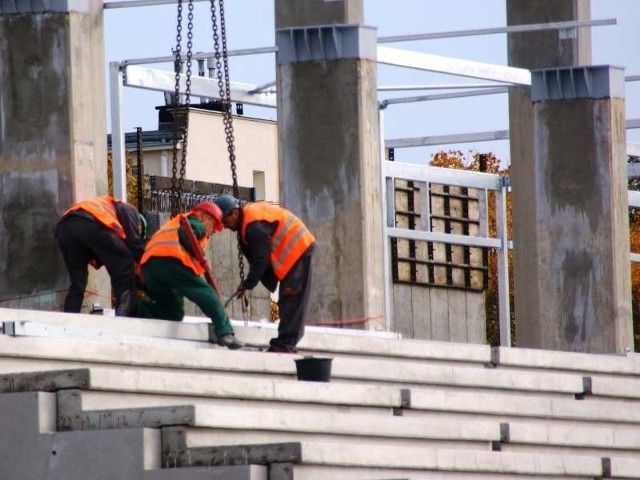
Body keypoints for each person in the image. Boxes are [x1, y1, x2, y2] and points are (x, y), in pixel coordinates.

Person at [213, 194, 315, 353]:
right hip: (295, 250)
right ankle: (284, 343)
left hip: (298, 248)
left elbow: (261, 260)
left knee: (292, 299)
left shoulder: (253, 226)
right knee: (288, 300)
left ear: (234, 213)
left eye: (225, 221)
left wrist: (248, 284)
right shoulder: (249, 220)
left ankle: (285, 345)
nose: (225, 226)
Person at [137, 201, 244, 350]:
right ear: (205, 217)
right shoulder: (196, 221)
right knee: (207, 294)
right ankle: (225, 332)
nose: (214, 231)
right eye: (214, 224)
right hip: (170, 261)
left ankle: (134, 306)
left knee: (173, 311)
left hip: (149, 267)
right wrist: (200, 256)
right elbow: (185, 234)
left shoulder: (178, 223)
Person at [55, 195, 147, 316]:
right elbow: (133, 245)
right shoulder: (131, 211)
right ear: (140, 225)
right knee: (125, 261)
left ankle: (68, 321)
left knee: (78, 283)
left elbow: (118, 266)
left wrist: (140, 283)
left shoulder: (108, 211)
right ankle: (126, 314)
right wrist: (151, 266)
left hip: (64, 227)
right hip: (89, 221)